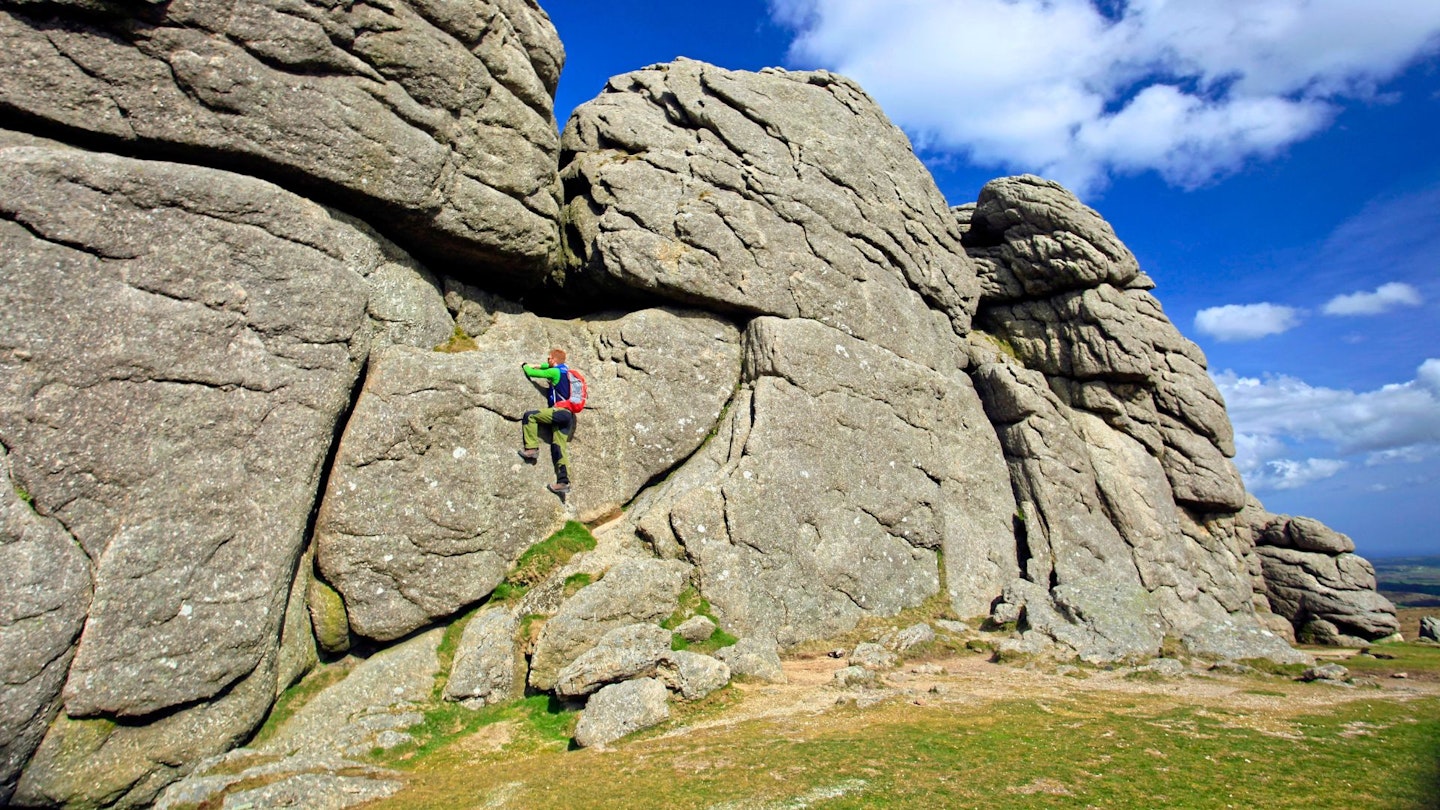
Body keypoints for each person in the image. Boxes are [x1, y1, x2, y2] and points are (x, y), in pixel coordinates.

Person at [520, 348, 577, 495]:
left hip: (559, 412)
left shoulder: (554, 372)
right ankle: (563, 482)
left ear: (553, 360)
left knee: (530, 416)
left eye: (548, 358)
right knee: (558, 447)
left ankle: (532, 449)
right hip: (568, 416)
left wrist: (525, 365)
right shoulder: (565, 370)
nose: (546, 361)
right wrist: (539, 364)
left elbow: (532, 373)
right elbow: (547, 367)